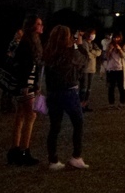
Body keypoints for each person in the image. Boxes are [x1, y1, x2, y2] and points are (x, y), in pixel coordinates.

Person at [42, 25, 88, 170]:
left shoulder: (48, 51)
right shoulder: (69, 52)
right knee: (78, 123)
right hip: (68, 92)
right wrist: (79, 45)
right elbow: (84, 60)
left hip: (53, 93)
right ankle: (76, 156)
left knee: (54, 127)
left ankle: (53, 160)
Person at [8, 15, 44, 165]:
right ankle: (24, 151)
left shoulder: (31, 42)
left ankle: (15, 150)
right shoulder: (27, 44)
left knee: (21, 116)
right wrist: (26, 85)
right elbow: (25, 66)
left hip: (26, 83)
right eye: (38, 24)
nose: (41, 26)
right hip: (25, 84)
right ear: (31, 26)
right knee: (30, 116)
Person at [79, 29, 101, 112]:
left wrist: (92, 52)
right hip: (85, 68)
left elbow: (99, 52)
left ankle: (86, 104)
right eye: (91, 34)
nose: (92, 35)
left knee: (89, 88)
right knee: (83, 88)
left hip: (92, 68)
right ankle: (81, 105)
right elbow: (87, 54)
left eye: (94, 34)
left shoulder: (93, 44)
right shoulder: (84, 43)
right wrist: (93, 53)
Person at [104, 32, 125, 107]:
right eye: (114, 38)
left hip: (120, 69)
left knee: (121, 87)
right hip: (111, 69)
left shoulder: (124, 45)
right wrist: (110, 50)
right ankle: (111, 103)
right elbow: (106, 57)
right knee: (111, 87)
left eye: (117, 38)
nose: (116, 39)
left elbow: (124, 56)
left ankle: (122, 102)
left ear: (120, 38)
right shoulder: (109, 45)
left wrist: (119, 49)